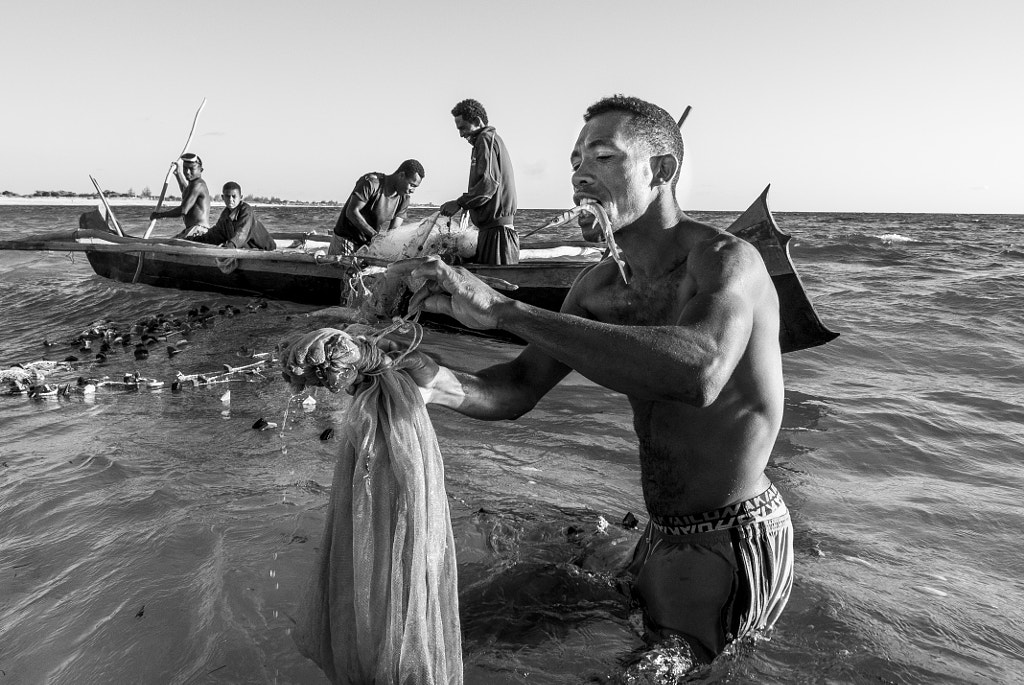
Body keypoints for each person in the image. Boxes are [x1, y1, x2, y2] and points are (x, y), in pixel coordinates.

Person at [385, 95, 794, 664]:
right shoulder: (597, 288)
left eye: (603, 157)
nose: (580, 172)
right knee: (464, 627)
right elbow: (516, 388)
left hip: (730, 540)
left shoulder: (727, 262)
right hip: (658, 536)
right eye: (576, 159)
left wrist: (506, 311)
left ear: (662, 171)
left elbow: (698, 371)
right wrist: (425, 379)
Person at [439, 99, 519, 265]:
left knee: (496, 286)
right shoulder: (484, 141)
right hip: (490, 231)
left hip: (498, 233)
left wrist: (460, 203)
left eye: (463, 128)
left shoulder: (486, 140)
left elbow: (488, 186)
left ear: (476, 121)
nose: (461, 134)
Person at [329, 159, 425, 255]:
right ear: (401, 175)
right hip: (346, 240)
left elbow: (393, 231)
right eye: (412, 185)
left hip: (368, 244)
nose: (413, 190)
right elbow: (351, 212)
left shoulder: (404, 199)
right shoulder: (372, 183)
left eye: (415, 187)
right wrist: (375, 236)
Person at [184, 181, 275, 250]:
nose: (231, 199)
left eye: (234, 196)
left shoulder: (246, 211)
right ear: (223, 197)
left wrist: (229, 246)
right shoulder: (225, 214)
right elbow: (216, 233)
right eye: (227, 196)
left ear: (241, 197)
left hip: (264, 249)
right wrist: (193, 240)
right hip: (244, 249)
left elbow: (241, 234)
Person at [149, 152, 212, 236]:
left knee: (170, 245)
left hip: (198, 231)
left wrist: (160, 215)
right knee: (170, 242)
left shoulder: (198, 184)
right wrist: (178, 174)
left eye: (191, 169)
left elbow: (183, 210)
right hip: (191, 229)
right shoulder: (193, 185)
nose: (187, 172)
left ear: (201, 170)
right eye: (185, 168)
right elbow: (185, 191)